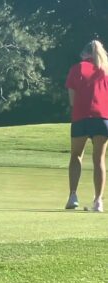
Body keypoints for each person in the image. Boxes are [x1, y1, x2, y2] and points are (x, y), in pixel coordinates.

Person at [65, 40, 108, 212]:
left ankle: (73, 196)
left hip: (81, 117)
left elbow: (72, 100)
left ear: (84, 54)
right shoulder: (106, 70)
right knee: (99, 159)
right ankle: (98, 201)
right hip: (103, 119)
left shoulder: (77, 68)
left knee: (76, 156)